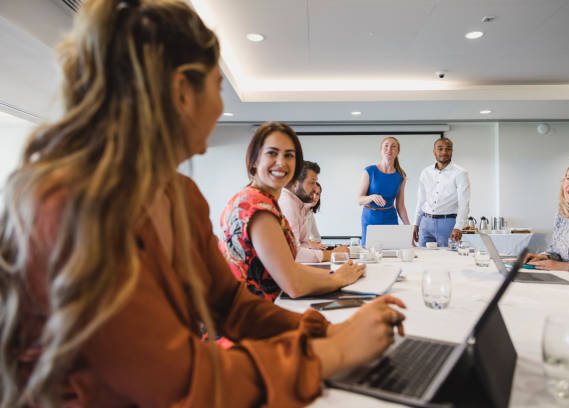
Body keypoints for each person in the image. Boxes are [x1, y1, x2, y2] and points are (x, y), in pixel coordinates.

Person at [0, 2, 407, 407]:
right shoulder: (71, 207)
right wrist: (332, 353)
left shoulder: (178, 195)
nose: (219, 104)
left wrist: (324, 332)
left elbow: (230, 304)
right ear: (181, 93)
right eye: (216, 87)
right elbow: (178, 382)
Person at [219, 123, 364, 299]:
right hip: (247, 315)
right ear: (254, 160)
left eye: (289, 155)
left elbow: (288, 266)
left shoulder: (257, 199)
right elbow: (293, 285)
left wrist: (337, 275)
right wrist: (339, 279)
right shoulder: (257, 207)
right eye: (272, 153)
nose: (281, 162)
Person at [279, 161, 348, 262]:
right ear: (295, 182)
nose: (315, 187)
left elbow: (304, 244)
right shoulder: (287, 204)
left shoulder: (298, 205)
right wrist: (332, 254)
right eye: (312, 182)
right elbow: (294, 253)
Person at [413, 137, 470, 247]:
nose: (444, 152)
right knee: (423, 259)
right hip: (426, 222)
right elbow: (421, 201)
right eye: (440, 149)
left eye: (448, 149)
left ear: (452, 151)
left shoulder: (461, 173)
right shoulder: (426, 172)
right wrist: (416, 223)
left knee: (446, 259)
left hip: (448, 223)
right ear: (434, 151)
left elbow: (464, 203)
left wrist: (458, 227)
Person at [357, 137, 410, 245]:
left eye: (393, 146)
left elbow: (400, 205)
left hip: (390, 218)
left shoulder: (401, 176)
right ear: (381, 150)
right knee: (370, 253)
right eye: (386, 145)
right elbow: (359, 200)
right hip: (370, 218)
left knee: (391, 250)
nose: (389, 149)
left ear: (398, 151)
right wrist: (372, 197)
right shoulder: (370, 171)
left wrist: (409, 228)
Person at [306, 182, 325, 249]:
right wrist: (310, 243)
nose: (315, 197)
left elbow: (317, 238)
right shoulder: (295, 211)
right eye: (312, 193)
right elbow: (296, 240)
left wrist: (317, 245)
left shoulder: (310, 214)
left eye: (317, 194)